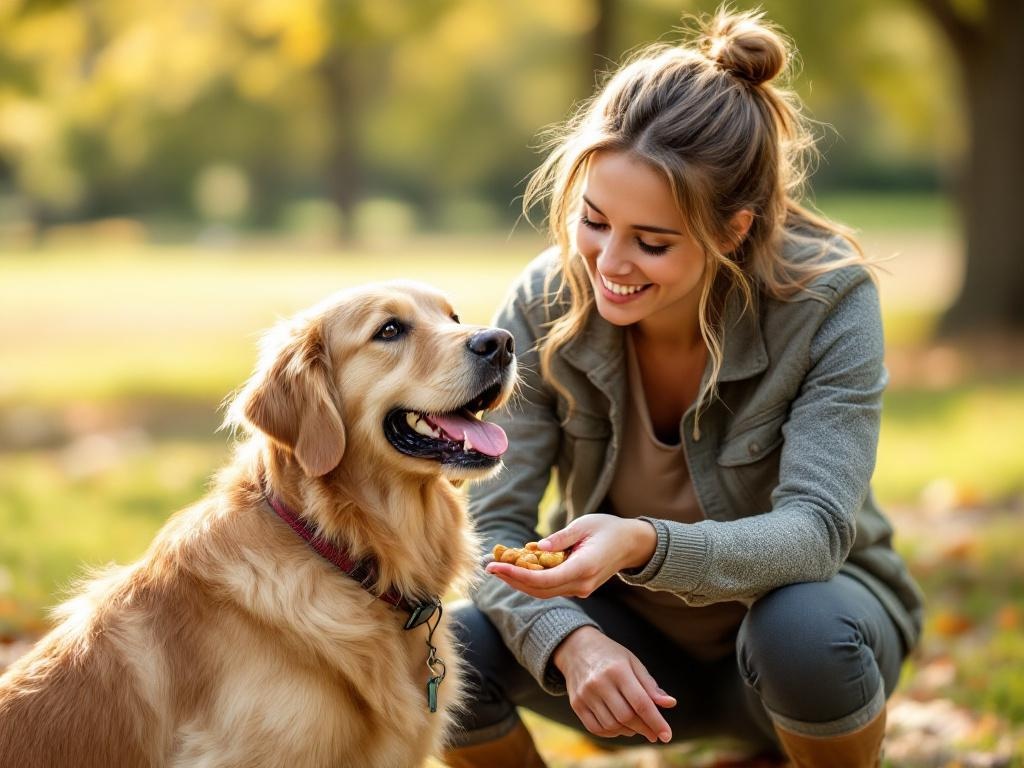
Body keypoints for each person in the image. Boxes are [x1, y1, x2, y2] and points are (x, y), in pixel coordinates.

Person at [442, 8, 924, 768]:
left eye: (653, 241)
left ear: (733, 229)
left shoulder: (829, 301)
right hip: (631, 654)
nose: (609, 262)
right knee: (442, 657)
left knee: (801, 632)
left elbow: (817, 531)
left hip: (806, 642)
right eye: (593, 221)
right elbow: (488, 523)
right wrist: (570, 640)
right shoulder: (542, 301)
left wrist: (643, 542)